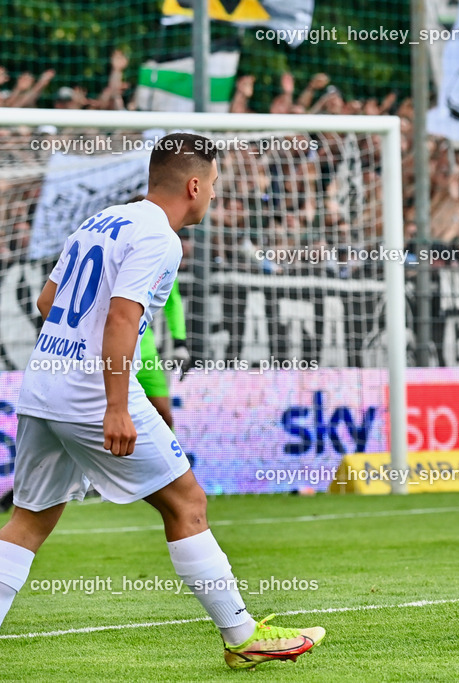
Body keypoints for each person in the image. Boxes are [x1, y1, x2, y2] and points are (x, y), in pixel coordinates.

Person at [0, 133, 326, 667]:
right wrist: (115, 406)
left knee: (28, 522)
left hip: (42, 384)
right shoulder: (160, 236)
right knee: (187, 503)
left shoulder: (101, 219)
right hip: (91, 391)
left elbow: (46, 300)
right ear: (194, 185)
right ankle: (242, 637)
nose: (214, 195)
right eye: (214, 184)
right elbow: (122, 317)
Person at [137, 278, 188, 429]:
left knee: (163, 415)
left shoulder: (165, 263)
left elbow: (173, 301)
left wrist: (180, 342)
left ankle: (170, 445)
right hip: (107, 356)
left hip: (145, 354)